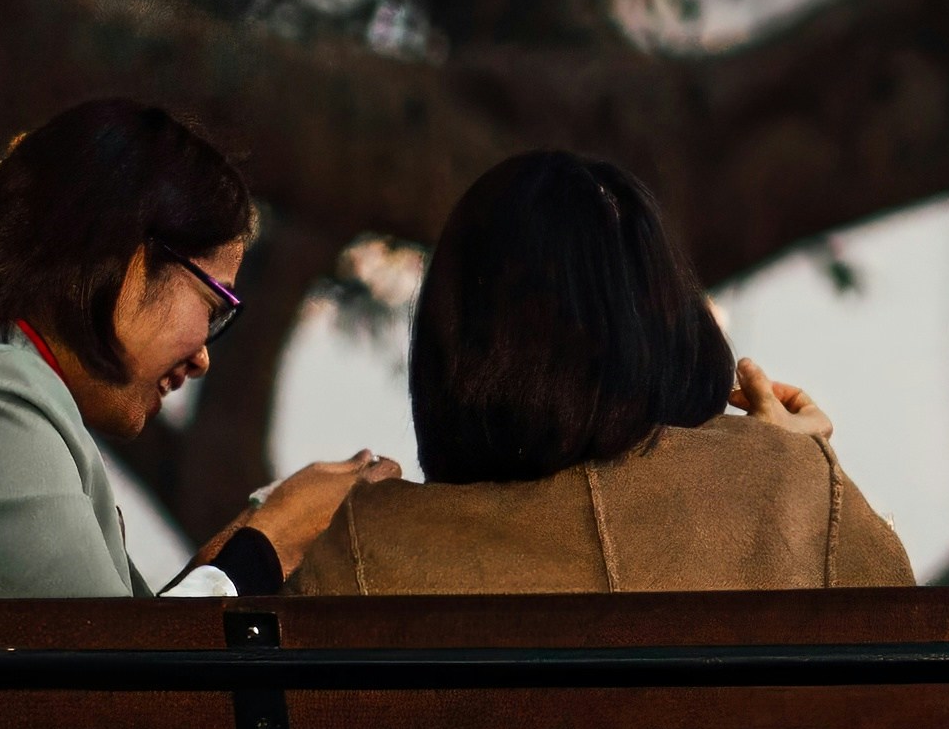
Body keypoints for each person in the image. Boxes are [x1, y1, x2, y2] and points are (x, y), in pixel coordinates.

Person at [0, 99, 393, 598]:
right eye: (214, 305)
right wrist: (270, 541)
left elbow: (118, 660)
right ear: (125, 259)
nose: (203, 356)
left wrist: (244, 544)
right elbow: (123, 707)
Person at [299, 150, 912, 593]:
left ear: (453, 345)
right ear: (665, 325)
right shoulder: (785, 485)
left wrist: (268, 523)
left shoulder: (360, 548)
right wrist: (802, 471)